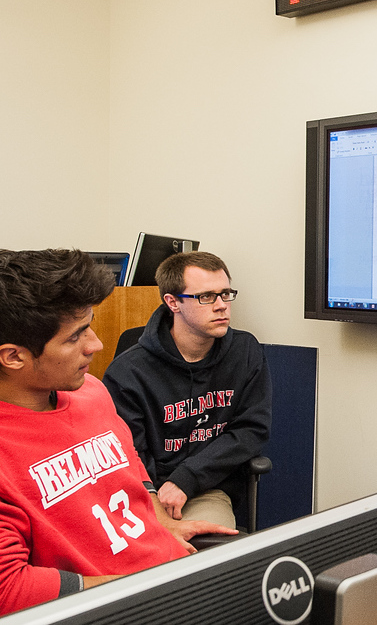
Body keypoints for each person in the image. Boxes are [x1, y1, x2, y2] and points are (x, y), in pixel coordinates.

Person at [0, 249, 236, 615]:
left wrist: (158, 522)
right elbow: (9, 589)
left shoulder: (90, 391)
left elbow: (129, 466)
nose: (96, 345)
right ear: (13, 356)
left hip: (170, 576)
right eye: (75, 336)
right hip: (120, 604)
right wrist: (143, 585)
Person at [103, 251, 271, 530]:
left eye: (226, 294)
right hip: (140, 494)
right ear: (172, 302)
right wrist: (155, 500)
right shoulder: (128, 372)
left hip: (205, 488)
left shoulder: (244, 351)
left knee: (205, 559)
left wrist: (187, 478)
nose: (221, 306)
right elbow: (128, 453)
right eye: (206, 297)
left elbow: (251, 431)